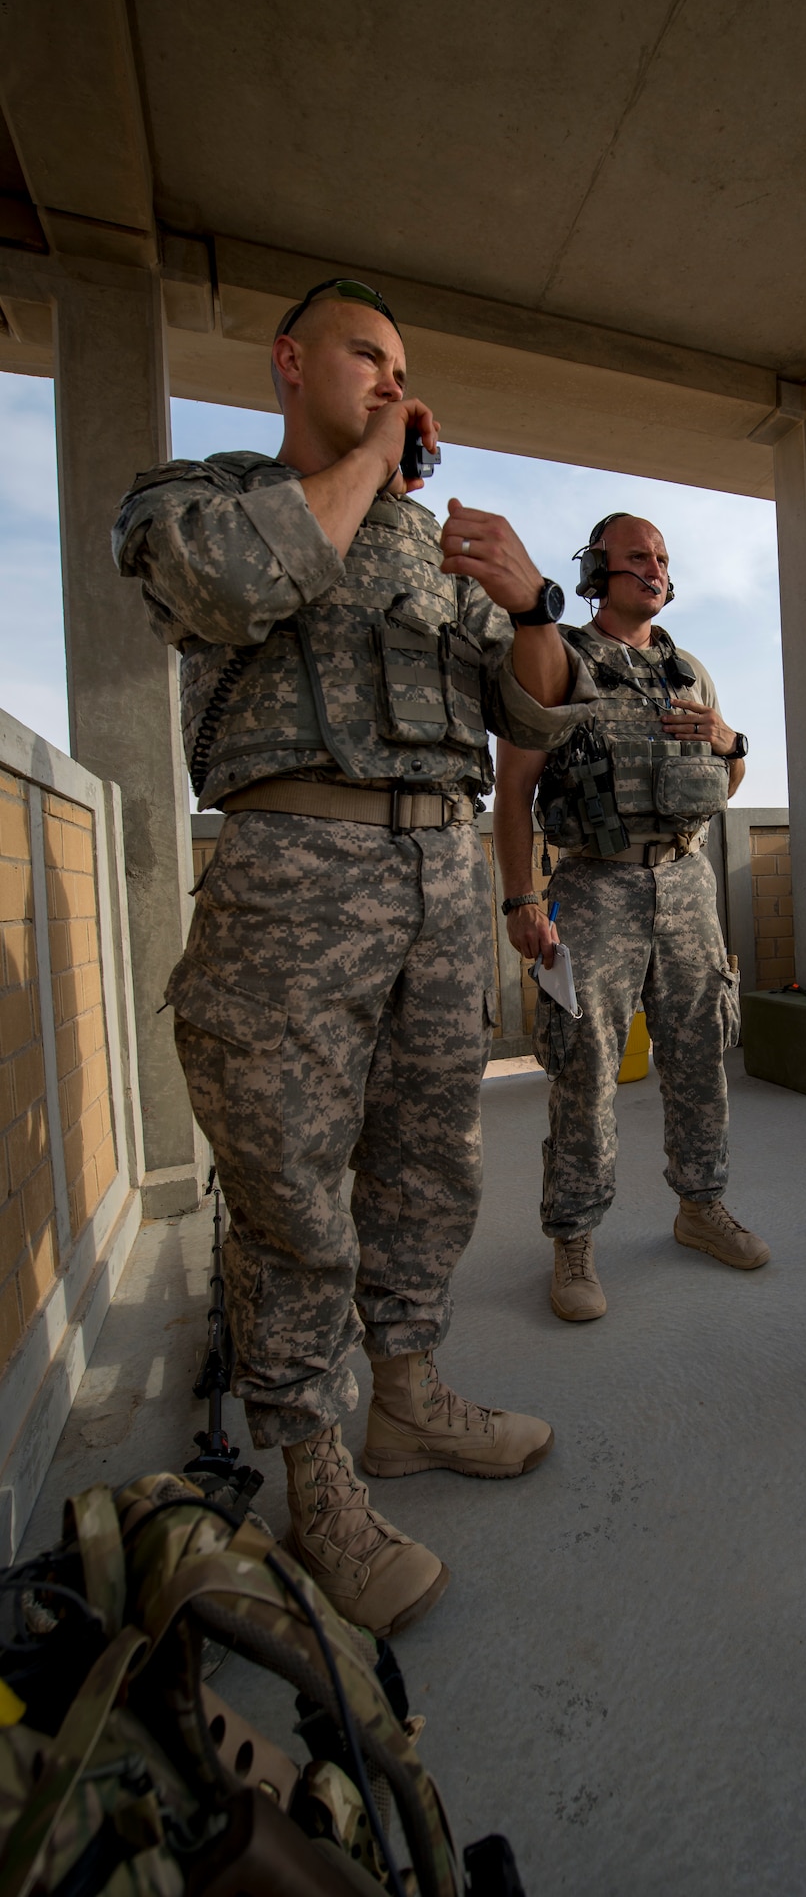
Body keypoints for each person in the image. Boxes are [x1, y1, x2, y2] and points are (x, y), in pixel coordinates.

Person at [113, 278, 590, 1636]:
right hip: (291, 880)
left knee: (431, 1162)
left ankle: (408, 1403)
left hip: (440, 883)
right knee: (290, 1193)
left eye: (402, 368)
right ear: (289, 363)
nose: (391, 380)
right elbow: (224, 584)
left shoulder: (435, 554)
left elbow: (535, 723)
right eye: (365, 357)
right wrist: (376, 458)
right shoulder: (199, 494)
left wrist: (536, 602)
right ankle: (314, 1474)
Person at [492, 513, 768, 1322]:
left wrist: (729, 739)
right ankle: (574, 1241)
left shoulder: (688, 669)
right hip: (593, 888)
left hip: (685, 881)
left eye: (661, 559)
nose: (652, 570)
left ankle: (700, 1205)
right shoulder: (559, 659)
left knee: (700, 1053)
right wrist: (520, 899)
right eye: (635, 558)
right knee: (583, 1066)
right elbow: (512, 792)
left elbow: (727, 780)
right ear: (596, 571)